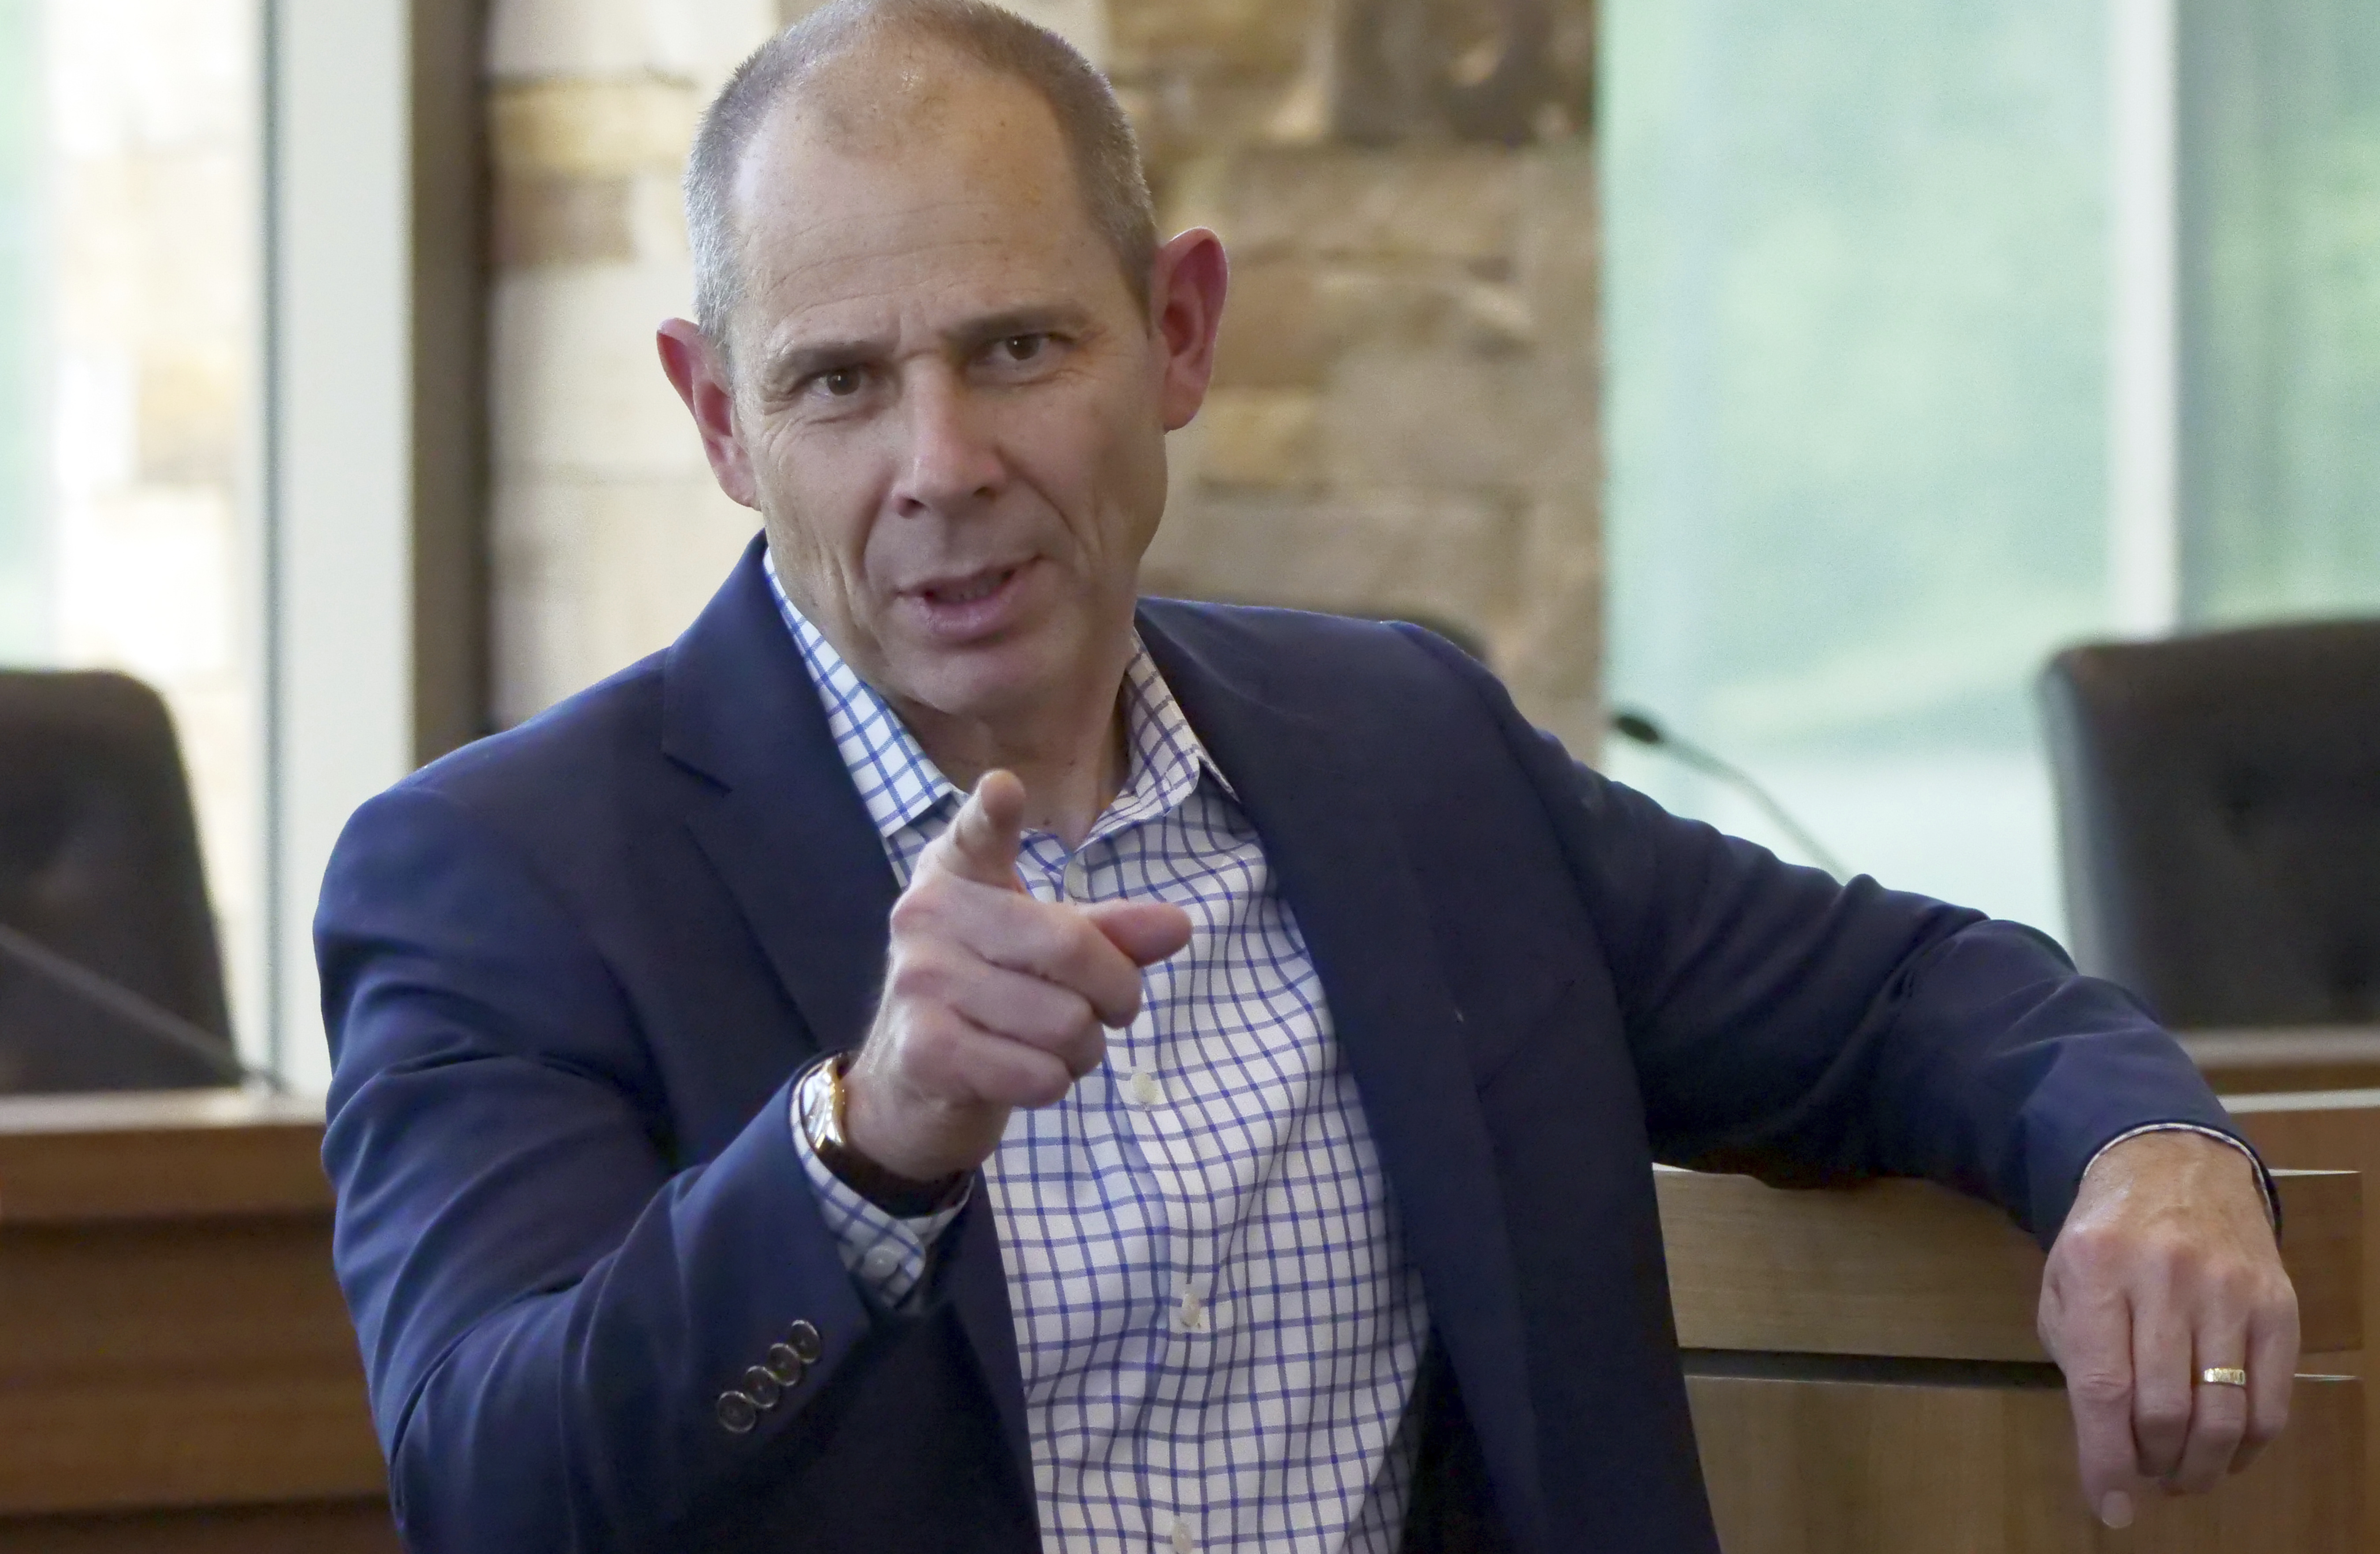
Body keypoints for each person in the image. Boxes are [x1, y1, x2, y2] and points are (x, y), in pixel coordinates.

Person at [315, 3, 2297, 1550]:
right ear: (720, 418)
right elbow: (495, 1485)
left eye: (1018, 350)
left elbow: (1899, 997)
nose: (940, 462)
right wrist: (866, 1145)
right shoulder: (503, 875)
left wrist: (2160, 1154)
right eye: (840, 381)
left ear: (1176, 333)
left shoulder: (1407, 754)